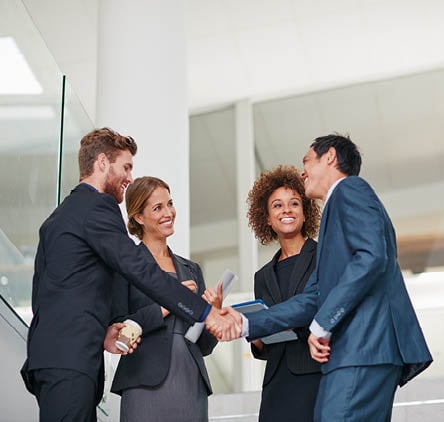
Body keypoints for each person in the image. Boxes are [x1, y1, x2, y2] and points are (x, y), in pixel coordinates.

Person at [20, 127, 239, 422]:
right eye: (126, 167)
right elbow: (139, 267)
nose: (129, 177)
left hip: (56, 356)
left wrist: (104, 334)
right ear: (101, 163)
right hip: (71, 359)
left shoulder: (60, 216)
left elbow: (48, 294)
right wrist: (205, 312)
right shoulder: (97, 207)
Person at [222, 134, 433, 421]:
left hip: (363, 348)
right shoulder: (337, 213)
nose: (303, 171)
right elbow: (313, 297)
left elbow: (372, 257)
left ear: (330, 157)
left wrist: (322, 324)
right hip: (359, 353)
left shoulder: (350, 189)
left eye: (306, 161)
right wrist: (244, 321)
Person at [110, 176, 221, 422]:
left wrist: (213, 313)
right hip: (144, 381)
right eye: (158, 208)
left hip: (191, 381)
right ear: (139, 217)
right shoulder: (126, 265)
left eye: (169, 204)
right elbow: (119, 331)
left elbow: (204, 345)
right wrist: (170, 302)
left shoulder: (191, 269)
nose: (168, 212)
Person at [246, 165, 322, 422]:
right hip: (277, 384)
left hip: (316, 377)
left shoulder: (323, 256)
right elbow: (266, 344)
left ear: (304, 212)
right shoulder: (262, 276)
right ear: (267, 218)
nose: (286, 210)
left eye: (294, 204)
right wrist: (255, 337)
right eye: (277, 205)